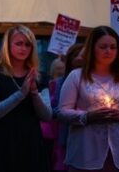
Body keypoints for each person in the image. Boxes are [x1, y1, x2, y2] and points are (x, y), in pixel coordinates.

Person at [58, 26, 119, 172]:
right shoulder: (76, 76)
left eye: (113, 47)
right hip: (87, 148)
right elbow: (62, 111)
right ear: (92, 49)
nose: (109, 51)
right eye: (103, 47)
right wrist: (87, 116)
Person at [0, 25, 52, 172]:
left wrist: (34, 93)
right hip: (1, 142)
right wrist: (20, 95)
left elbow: (47, 116)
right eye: (18, 43)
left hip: (30, 142)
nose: (23, 48)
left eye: (28, 44)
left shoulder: (39, 76)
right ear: (7, 45)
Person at [49, 43, 85, 172]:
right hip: (65, 136)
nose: (81, 58)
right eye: (77, 55)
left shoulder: (96, 82)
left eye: (84, 55)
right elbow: (53, 111)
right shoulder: (60, 83)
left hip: (88, 138)